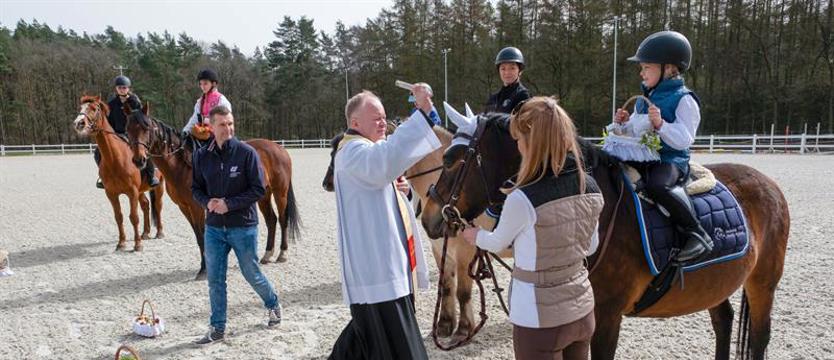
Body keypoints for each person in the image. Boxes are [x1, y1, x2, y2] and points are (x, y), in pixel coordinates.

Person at [462, 97, 604, 360]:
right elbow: (591, 245)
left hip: (540, 318)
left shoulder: (522, 199)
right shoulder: (591, 186)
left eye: (518, 139)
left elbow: (497, 242)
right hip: (583, 309)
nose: (517, 145)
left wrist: (474, 235)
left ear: (532, 142)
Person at [328, 85, 440, 360]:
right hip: (377, 270)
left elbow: (387, 183)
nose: (383, 122)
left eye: (384, 116)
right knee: (396, 345)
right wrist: (423, 114)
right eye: (376, 117)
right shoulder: (352, 151)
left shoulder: (370, 151)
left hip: (385, 267)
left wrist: (405, 192)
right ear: (355, 123)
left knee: (369, 338)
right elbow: (384, 163)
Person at [615, 30, 713, 262]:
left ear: (668, 68)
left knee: (659, 186)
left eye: (646, 67)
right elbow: (636, 133)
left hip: (670, 160)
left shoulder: (684, 99)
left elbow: (685, 139)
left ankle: (696, 233)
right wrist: (623, 124)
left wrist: (661, 125)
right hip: (644, 156)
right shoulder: (642, 100)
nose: (641, 72)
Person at [191, 105, 282, 345]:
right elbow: (195, 188)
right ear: (211, 126)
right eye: (223, 124)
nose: (228, 128)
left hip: (243, 226)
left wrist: (229, 204)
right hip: (213, 229)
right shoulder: (201, 156)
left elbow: (258, 189)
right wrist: (207, 201)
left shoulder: (246, 153)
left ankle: (273, 303)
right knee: (215, 279)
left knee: (251, 272)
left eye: (231, 123)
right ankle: (217, 327)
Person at [94, 75, 159, 189]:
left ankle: (151, 176)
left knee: (144, 150)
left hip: (132, 134)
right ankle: (102, 176)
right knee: (97, 151)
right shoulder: (112, 103)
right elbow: (109, 120)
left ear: (128, 88)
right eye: (119, 87)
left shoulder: (135, 101)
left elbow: (140, 118)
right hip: (115, 134)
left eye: (124, 87)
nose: (122, 89)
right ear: (116, 89)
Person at [182, 69, 232, 149]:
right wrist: (185, 131)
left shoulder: (221, 100)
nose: (202, 87)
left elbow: (226, 120)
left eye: (205, 84)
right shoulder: (200, 102)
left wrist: (207, 121)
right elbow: (194, 118)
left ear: (213, 84)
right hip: (203, 133)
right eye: (201, 84)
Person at [486, 47, 531, 114]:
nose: (507, 72)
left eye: (512, 68)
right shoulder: (493, 99)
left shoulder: (523, 96)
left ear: (520, 71)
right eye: (503, 69)